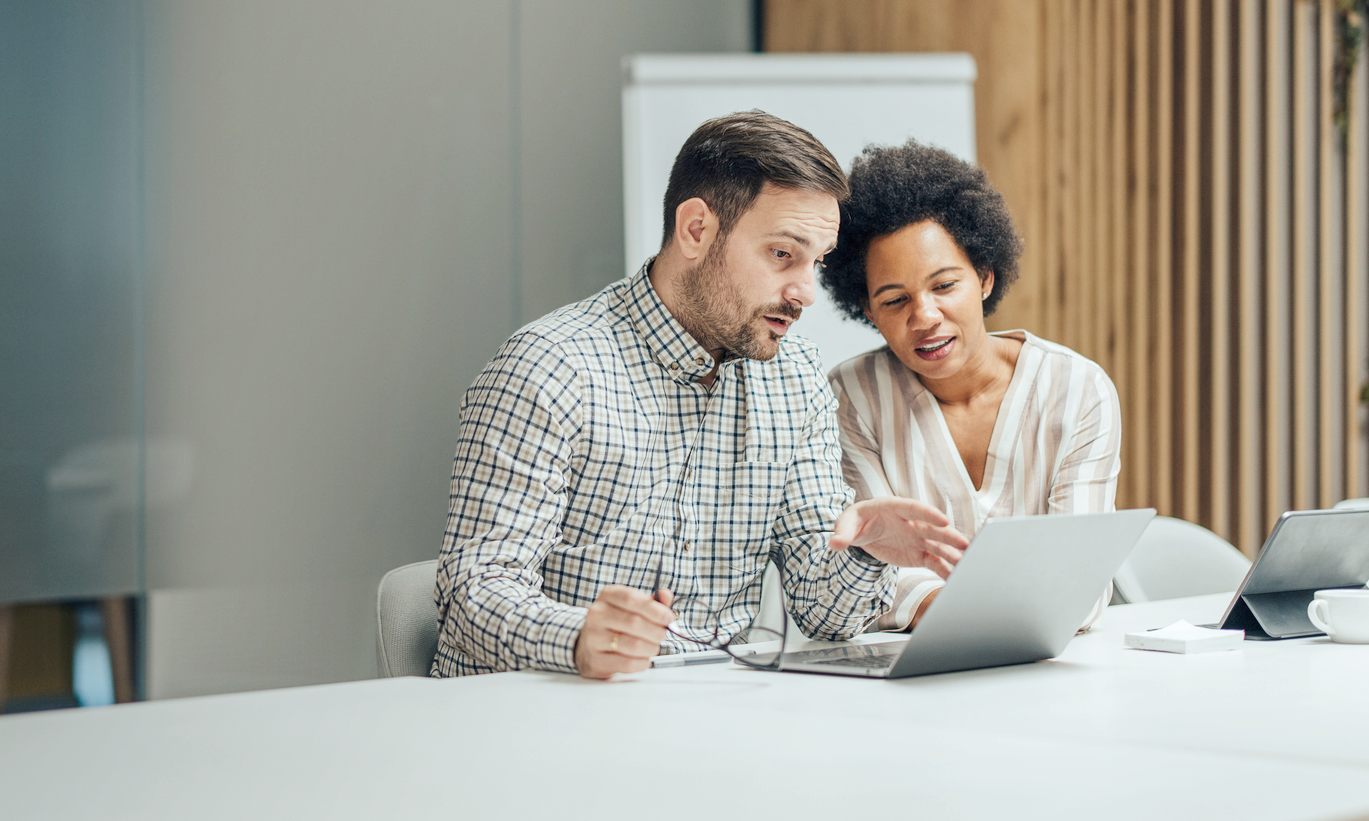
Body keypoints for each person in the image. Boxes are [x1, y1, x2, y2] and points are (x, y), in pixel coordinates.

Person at [432, 112, 968, 679]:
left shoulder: (794, 376)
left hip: (709, 718)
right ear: (695, 230)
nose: (806, 292)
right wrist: (579, 638)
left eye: (819, 262)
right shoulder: (552, 368)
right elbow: (471, 594)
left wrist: (864, 548)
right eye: (783, 254)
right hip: (543, 714)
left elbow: (822, 610)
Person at [821, 141, 1121, 632]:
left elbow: (1082, 577)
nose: (925, 317)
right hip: (914, 675)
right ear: (869, 312)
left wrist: (984, 616)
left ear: (984, 277)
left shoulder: (1077, 390)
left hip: (1046, 670)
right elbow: (874, 570)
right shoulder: (850, 398)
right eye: (895, 300)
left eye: (944, 286)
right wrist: (976, 616)